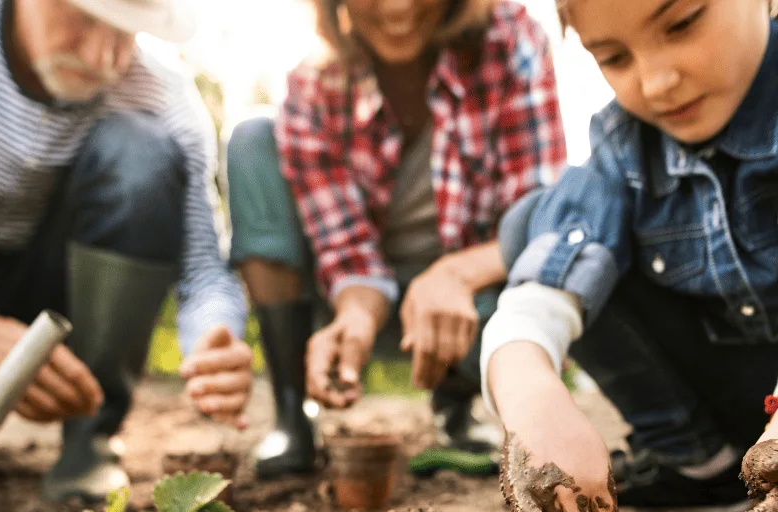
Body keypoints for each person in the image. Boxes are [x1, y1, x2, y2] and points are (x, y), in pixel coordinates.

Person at [482, 0, 778, 512]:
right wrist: (534, 406)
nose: (656, 83)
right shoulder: (622, 141)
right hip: (742, 398)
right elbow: (540, 293)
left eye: (681, 24)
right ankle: (698, 462)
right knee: (534, 225)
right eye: (613, 57)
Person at [0, 0, 254, 502]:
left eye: (128, 31)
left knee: (141, 152)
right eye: (84, 16)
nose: (103, 56)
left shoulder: (158, 93)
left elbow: (203, 270)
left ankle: (90, 439)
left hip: (58, 286)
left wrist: (213, 339)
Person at [226, 0, 566, 478]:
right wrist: (357, 314)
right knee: (252, 139)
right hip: (363, 302)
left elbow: (538, 218)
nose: (398, 6)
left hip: (476, 300)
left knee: (546, 279)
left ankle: (457, 404)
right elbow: (346, 251)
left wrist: (454, 275)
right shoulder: (313, 85)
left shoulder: (510, 38)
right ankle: (291, 410)